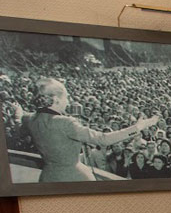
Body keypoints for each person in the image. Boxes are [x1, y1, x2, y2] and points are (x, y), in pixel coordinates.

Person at [7, 78, 159, 182]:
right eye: (66, 97)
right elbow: (103, 139)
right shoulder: (66, 122)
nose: (68, 101)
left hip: (48, 177)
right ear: (57, 100)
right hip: (74, 177)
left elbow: (18, 129)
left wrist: (17, 115)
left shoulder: (31, 119)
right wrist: (138, 127)